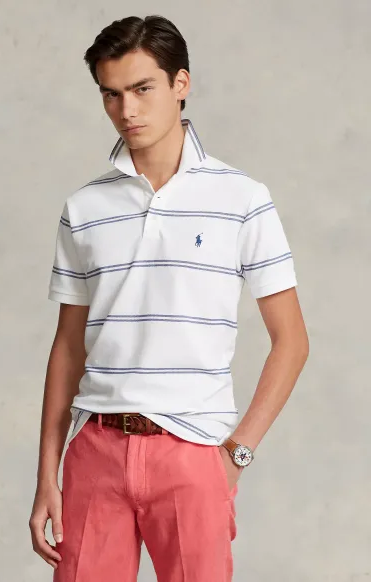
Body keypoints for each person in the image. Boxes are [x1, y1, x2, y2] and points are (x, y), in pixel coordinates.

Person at [29, 14, 309, 582]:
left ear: (181, 84)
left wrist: (236, 454)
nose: (126, 110)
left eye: (141, 89)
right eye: (111, 94)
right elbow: (67, 347)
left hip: (192, 454)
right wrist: (46, 477)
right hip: (96, 450)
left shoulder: (242, 199)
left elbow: (292, 341)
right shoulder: (84, 208)